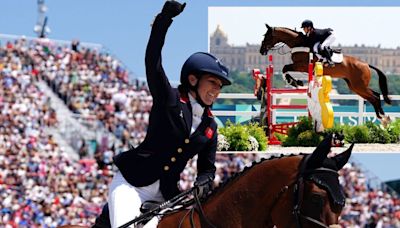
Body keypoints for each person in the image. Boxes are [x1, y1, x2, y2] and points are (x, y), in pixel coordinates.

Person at [105, 1, 232, 228]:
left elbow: (207, 168)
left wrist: (204, 181)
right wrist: (164, 19)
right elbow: (152, 60)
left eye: (220, 86)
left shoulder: (210, 126)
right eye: (212, 82)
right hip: (133, 185)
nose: (216, 89)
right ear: (193, 79)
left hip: (167, 196)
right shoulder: (169, 99)